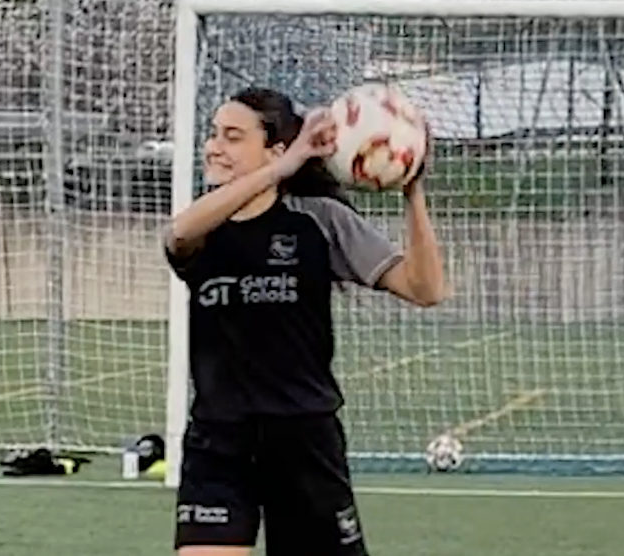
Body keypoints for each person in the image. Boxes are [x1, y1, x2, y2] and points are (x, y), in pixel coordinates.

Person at [164, 87, 445, 556]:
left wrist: (413, 192)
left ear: (274, 149)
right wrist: (288, 164)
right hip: (220, 438)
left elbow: (426, 289)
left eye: (233, 136)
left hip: (303, 438)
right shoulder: (204, 225)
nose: (214, 147)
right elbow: (178, 233)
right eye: (214, 135)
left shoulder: (320, 221)